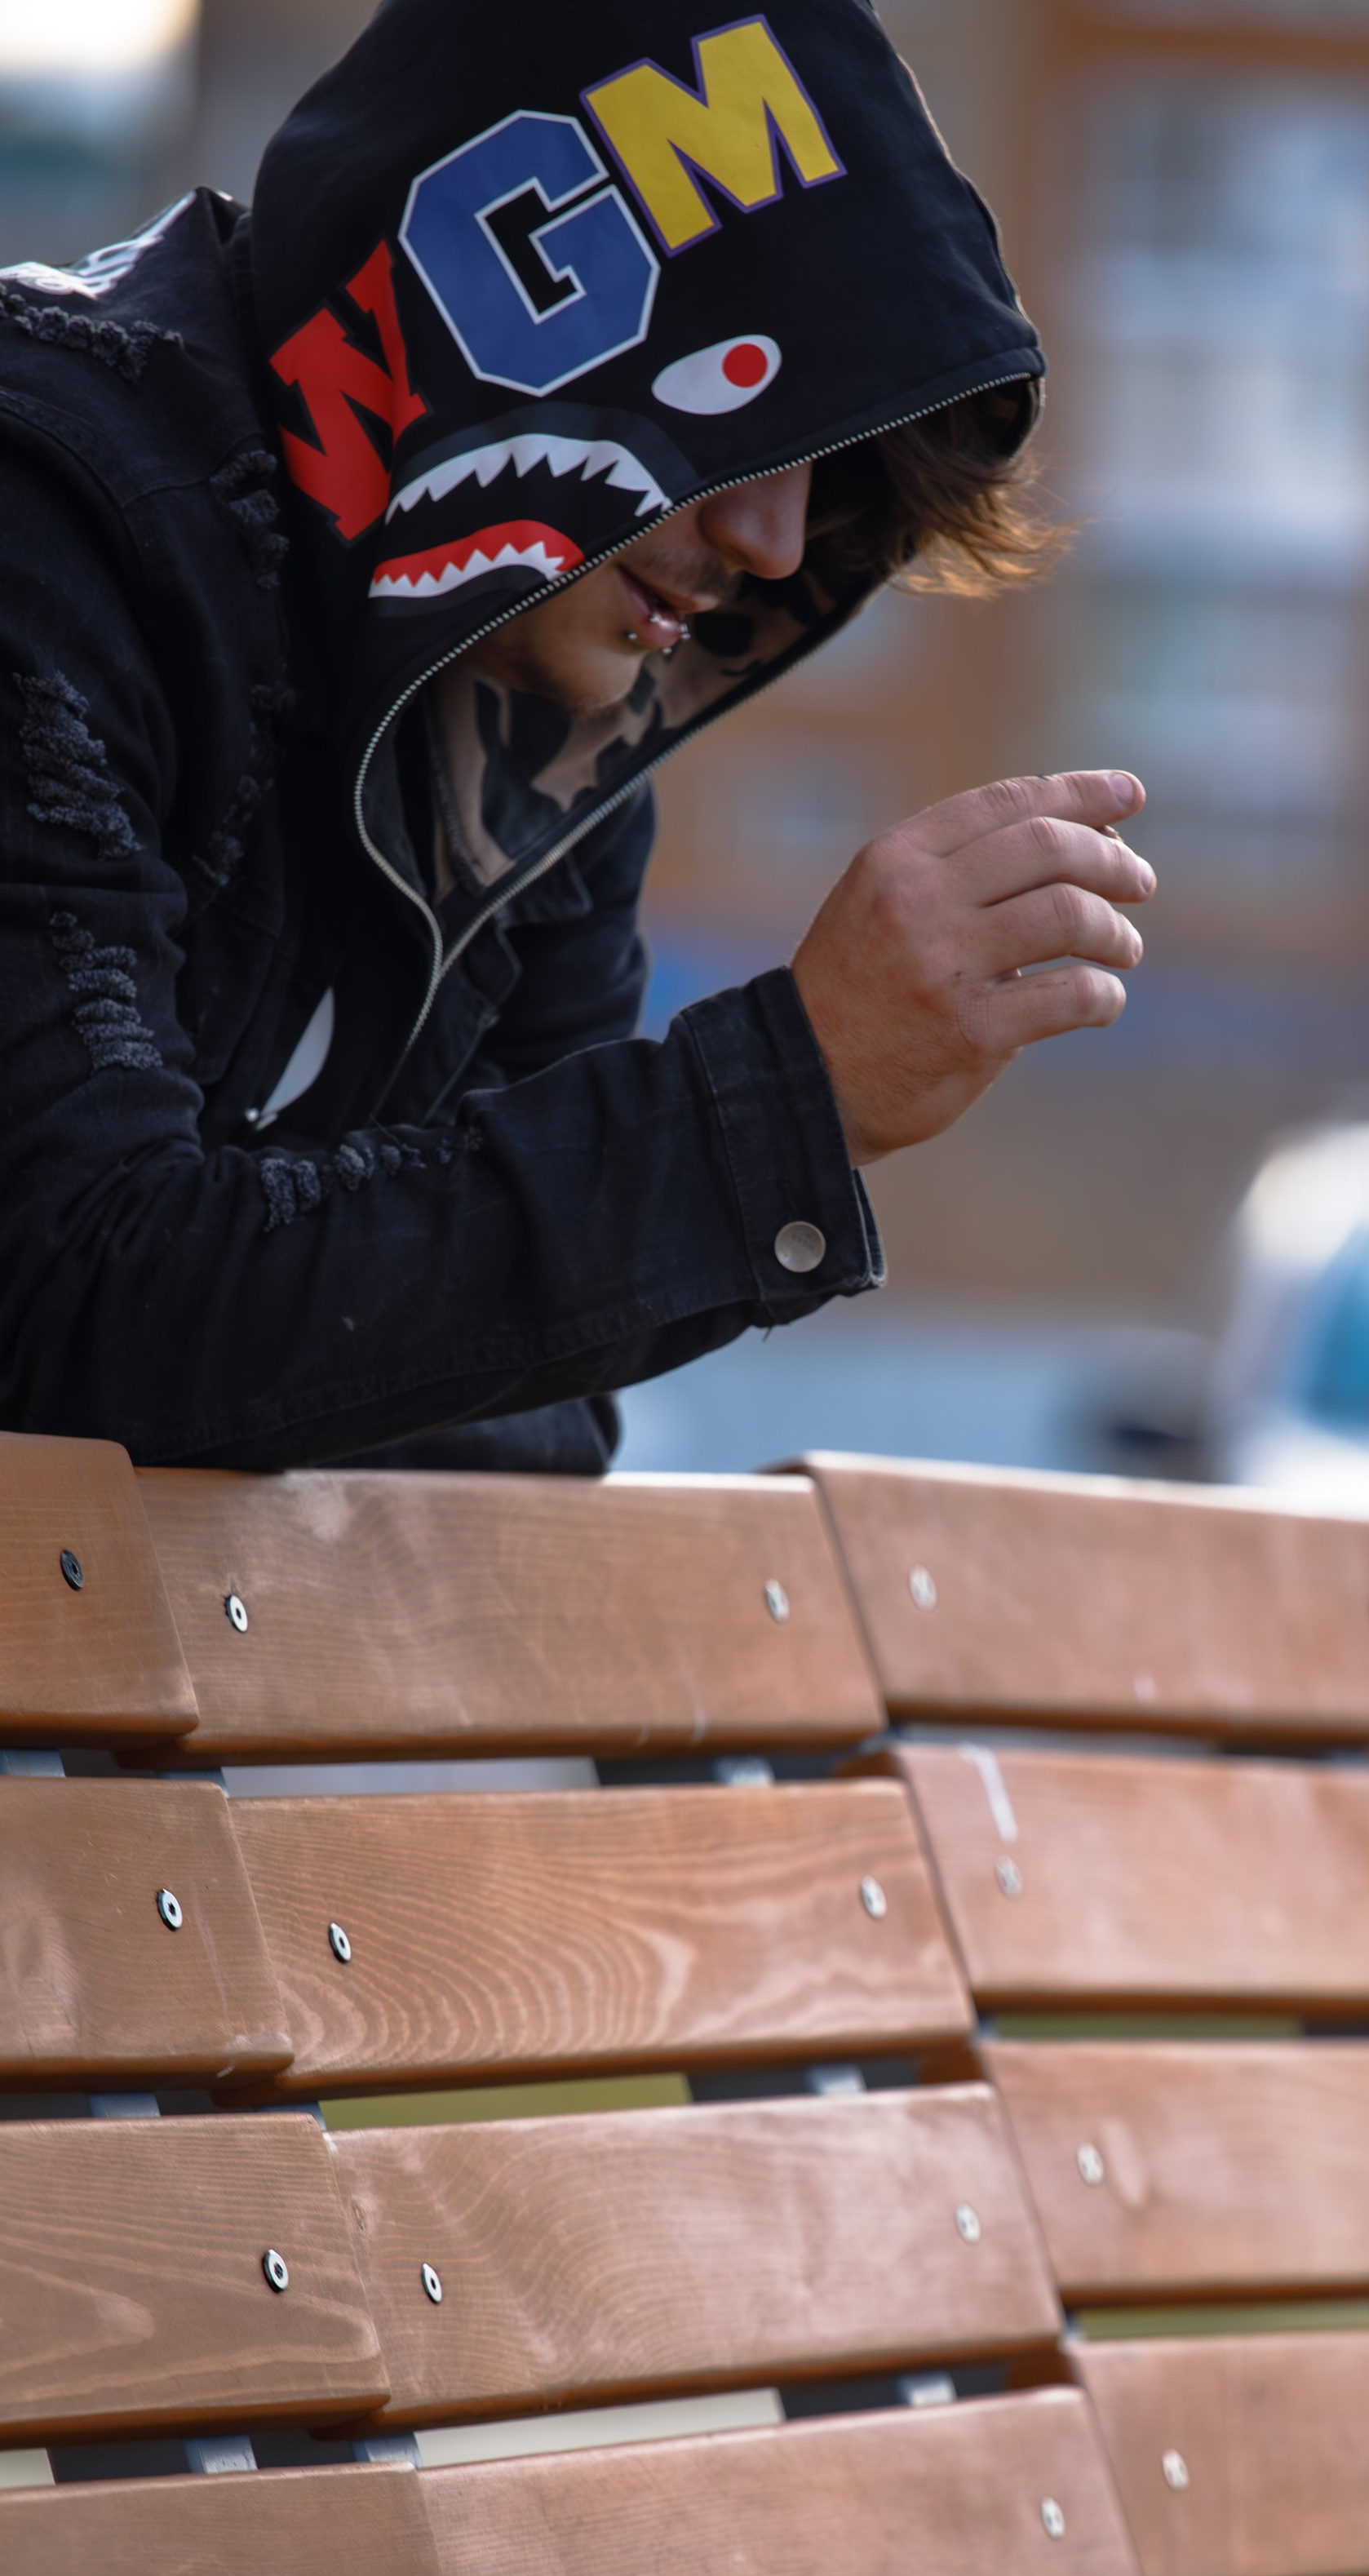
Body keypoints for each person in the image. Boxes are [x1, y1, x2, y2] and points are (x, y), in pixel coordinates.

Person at [0, 0, 1153, 1473]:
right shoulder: (51, 522)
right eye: (746, 409)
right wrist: (788, 1092)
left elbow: (514, 1424)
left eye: (829, 469)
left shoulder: (520, 730)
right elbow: (76, 1302)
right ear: (503, 298)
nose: (776, 538)